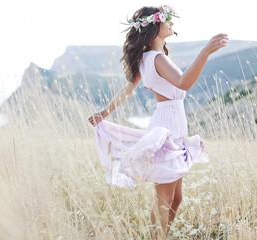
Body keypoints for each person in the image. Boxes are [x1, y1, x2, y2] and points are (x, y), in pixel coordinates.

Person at [87, 5, 228, 239]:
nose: (171, 22)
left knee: (176, 198)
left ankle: (160, 236)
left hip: (171, 126)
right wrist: (204, 53)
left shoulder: (146, 58)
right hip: (166, 130)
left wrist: (104, 112)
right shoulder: (157, 58)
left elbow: (128, 89)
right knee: (165, 201)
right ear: (154, 26)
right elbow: (183, 82)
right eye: (166, 19)